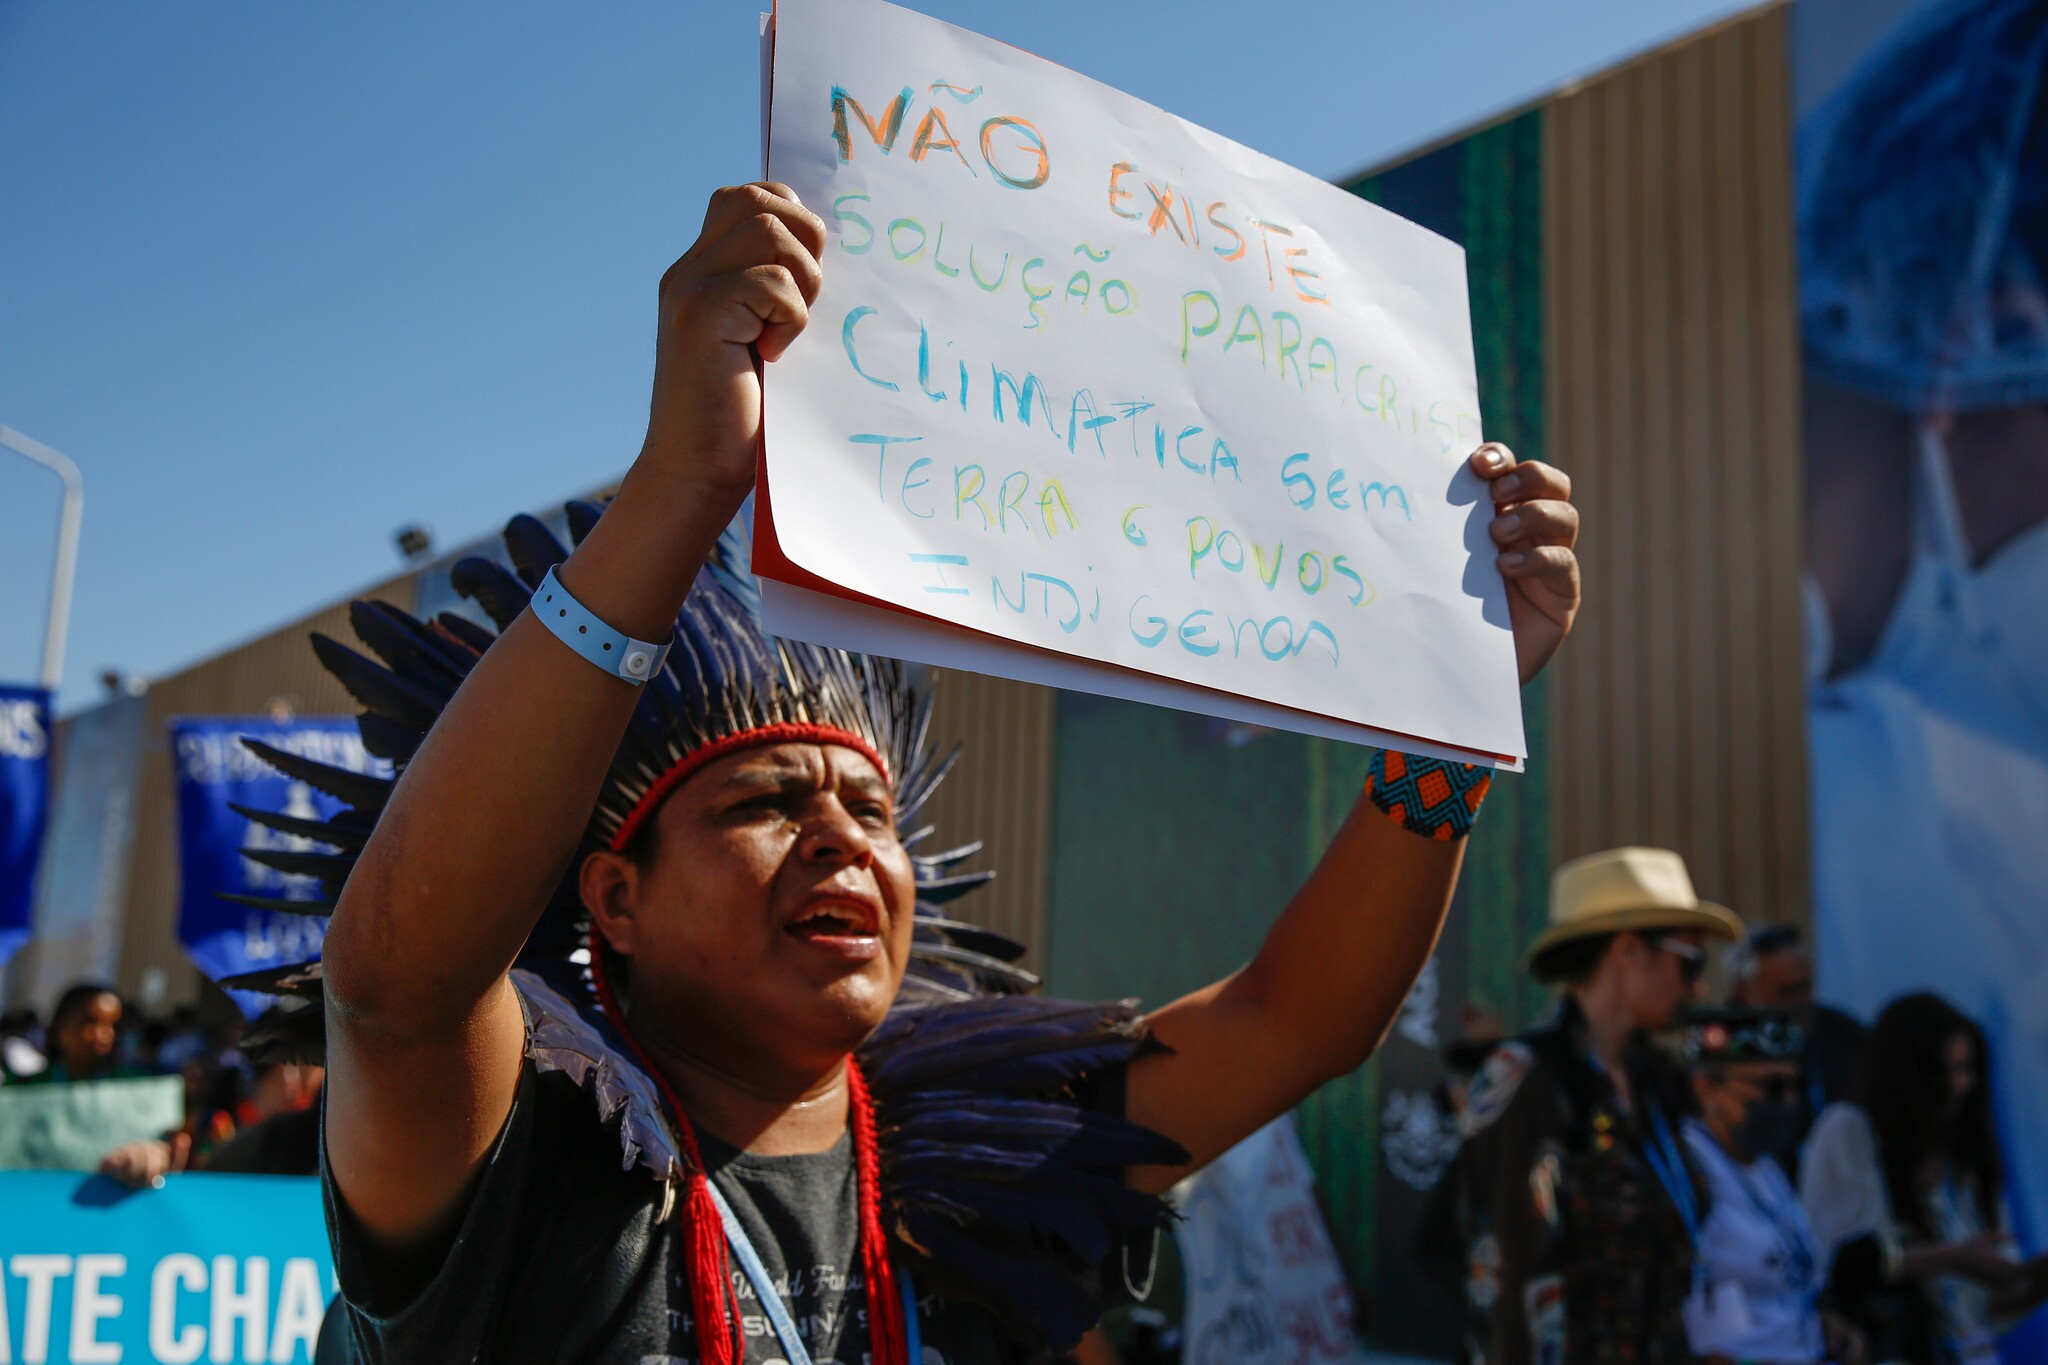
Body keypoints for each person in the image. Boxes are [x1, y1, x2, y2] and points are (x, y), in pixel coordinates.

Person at [207, 181, 1583, 1364]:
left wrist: (1449, 730)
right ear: (613, 897)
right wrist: (683, 486)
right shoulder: (523, 1152)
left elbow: (1293, 1023)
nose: (839, 839)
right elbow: (395, 989)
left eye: (869, 808)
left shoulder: (977, 1163)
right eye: (764, 803)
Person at [1436, 846, 1743, 1365]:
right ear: (1627, 952)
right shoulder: (1528, 1080)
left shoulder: (1653, 1083)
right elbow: (1503, 1282)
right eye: (1690, 962)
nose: (1700, 985)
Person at [1802, 994, 2048, 1364]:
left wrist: (2033, 1278)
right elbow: (1835, 1266)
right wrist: (1949, 1258)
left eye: (1967, 1069)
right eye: (1946, 1072)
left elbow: (1987, 1315)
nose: (1961, 1085)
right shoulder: (1850, 1133)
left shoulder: (1965, 1166)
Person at [1676, 1007, 1862, 1365]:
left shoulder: (1762, 1165)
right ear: (1705, 1087)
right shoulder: (1692, 1171)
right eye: (1772, 1087)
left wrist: (1823, 1326)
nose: (1789, 1101)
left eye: (1796, 1086)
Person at [1725, 925, 1866, 1168]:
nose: (1800, 1002)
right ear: (1744, 992)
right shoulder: (1721, 1047)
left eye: (1805, 988)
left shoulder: (1842, 1034)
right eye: (1786, 991)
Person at [21, 982, 132, 1084]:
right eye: (91, 1022)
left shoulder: (130, 1084)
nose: (106, 1034)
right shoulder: (26, 1084)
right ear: (62, 1028)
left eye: (114, 1025)